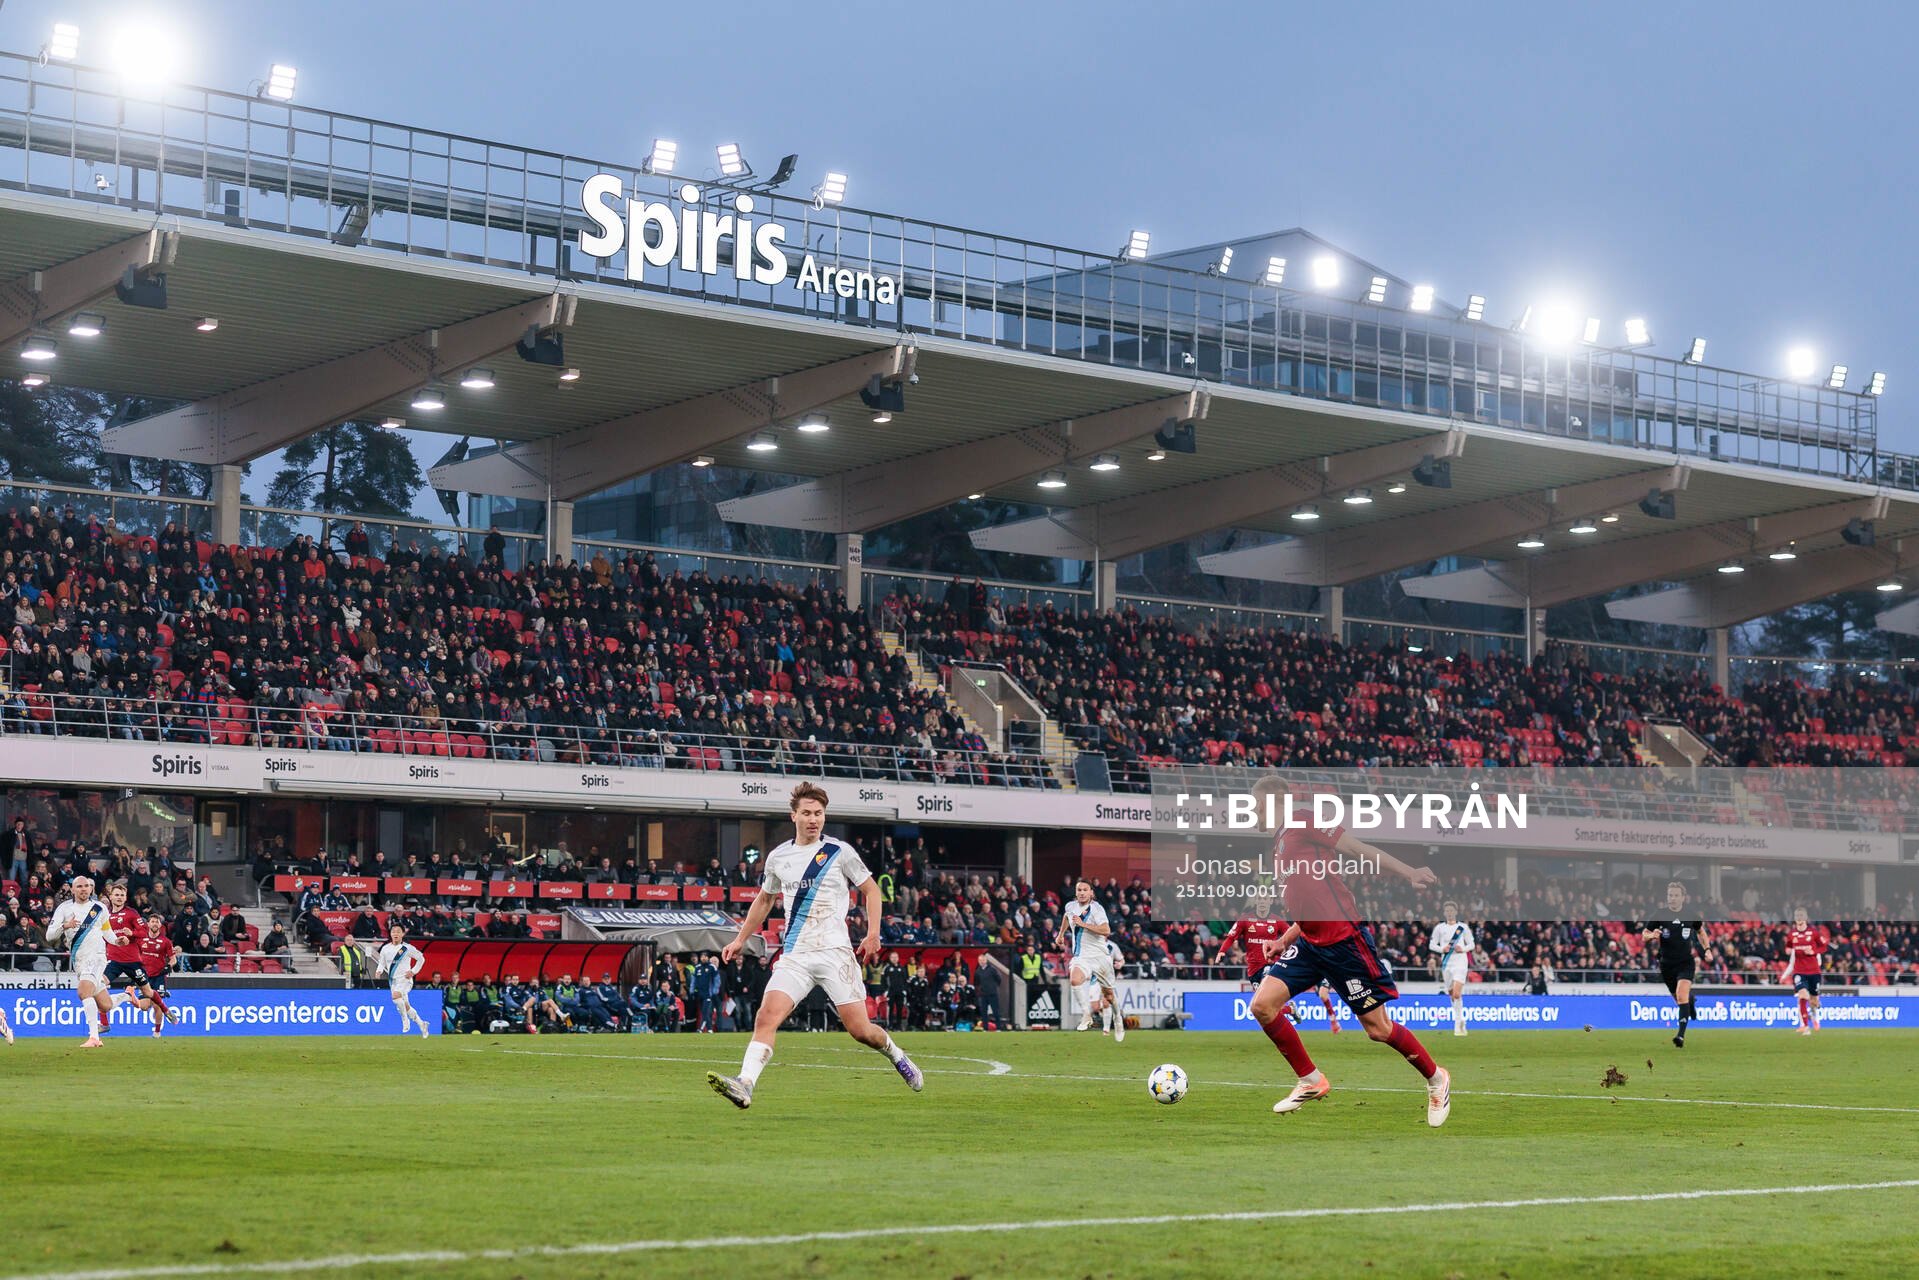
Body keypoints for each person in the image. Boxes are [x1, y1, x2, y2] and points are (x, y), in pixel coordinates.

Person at [1244, 777, 1452, 1128]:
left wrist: (1409, 872)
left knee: (1378, 1029)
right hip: (1309, 944)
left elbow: (1356, 849)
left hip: (1344, 942)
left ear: (1271, 803)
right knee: (1262, 1006)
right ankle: (1311, 1080)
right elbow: (1310, 902)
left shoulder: (1303, 820)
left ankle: (1436, 1078)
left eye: (1255, 806)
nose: (1253, 812)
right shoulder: (1279, 843)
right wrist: (1284, 940)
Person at [707, 783, 922, 1108]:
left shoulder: (839, 852)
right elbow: (764, 900)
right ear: (793, 816)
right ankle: (745, 1083)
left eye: (818, 813)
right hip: (796, 956)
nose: (813, 819)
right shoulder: (779, 857)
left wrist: (873, 933)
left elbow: (871, 891)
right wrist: (740, 939)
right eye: (806, 813)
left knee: (861, 1031)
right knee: (766, 1016)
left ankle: (896, 1054)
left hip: (835, 954)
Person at [43, 875, 118, 1048]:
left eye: (87, 886)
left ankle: (94, 1038)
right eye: (79, 886)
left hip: (97, 957)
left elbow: (107, 932)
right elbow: (49, 936)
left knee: (84, 992)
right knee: (105, 1005)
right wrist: (65, 926)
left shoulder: (99, 908)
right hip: (79, 961)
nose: (84, 889)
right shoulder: (64, 908)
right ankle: (128, 996)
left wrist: (117, 941)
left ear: (91, 889)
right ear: (72, 889)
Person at [101, 881, 179, 1033]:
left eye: (122, 895)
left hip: (132, 961)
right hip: (114, 960)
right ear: (110, 897)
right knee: (99, 985)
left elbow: (143, 932)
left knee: (148, 992)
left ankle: (166, 1010)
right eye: (116, 895)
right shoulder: (105, 915)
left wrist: (131, 934)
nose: (119, 897)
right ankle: (104, 1024)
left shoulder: (131, 913)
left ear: (125, 898)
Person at [1638, 881, 1704, 1049]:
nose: (1672, 898)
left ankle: (1680, 1036)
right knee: (1679, 998)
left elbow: (1701, 930)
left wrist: (1708, 949)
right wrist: (1652, 935)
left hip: (1685, 962)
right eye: (1670, 895)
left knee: (1681, 995)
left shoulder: (1690, 914)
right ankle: (1690, 1002)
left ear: (1683, 897)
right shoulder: (1660, 914)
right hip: (1667, 964)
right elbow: (1644, 935)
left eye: (1675, 895)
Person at [1056, 878, 1123, 1042]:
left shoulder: (1096, 909)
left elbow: (1106, 930)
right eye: (1079, 890)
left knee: (1109, 996)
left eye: (1085, 890)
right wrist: (1061, 934)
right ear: (1075, 892)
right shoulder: (1070, 906)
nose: (1082, 893)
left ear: (1091, 893)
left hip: (1100, 958)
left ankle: (1118, 1019)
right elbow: (1066, 917)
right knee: (1074, 980)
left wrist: (1083, 925)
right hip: (1081, 957)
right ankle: (1086, 1015)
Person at [374, 921, 431, 1039]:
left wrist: (413, 971)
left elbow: (421, 959)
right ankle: (422, 1024)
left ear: (402, 934)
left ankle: (405, 1020)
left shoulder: (407, 948)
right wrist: (379, 971)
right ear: (390, 934)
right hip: (393, 981)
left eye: (398, 932)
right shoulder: (385, 948)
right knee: (405, 1006)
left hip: (405, 979)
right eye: (393, 931)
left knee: (395, 996)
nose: (395, 934)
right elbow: (382, 962)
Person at [1428, 900, 1474, 1037]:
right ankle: (1461, 1020)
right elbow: (1432, 944)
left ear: (1456, 912)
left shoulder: (1463, 927)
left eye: (1451, 911)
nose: (1449, 913)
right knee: (1451, 994)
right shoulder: (1439, 928)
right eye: (1447, 911)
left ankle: (1457, 1025)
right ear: (1444, 912)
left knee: (1457, 994)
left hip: (1460, 962)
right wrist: (1442, 949)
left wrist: (1463, 949)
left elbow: (1471, 944)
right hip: (1446, 963)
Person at [1783, 906, 1831, 1036]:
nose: (1799, 919)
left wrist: (1813, 951)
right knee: (1803, 995)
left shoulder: (1813, 933)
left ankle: (1815, 1009)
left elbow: (1823, 947)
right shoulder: (1791, 934)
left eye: (1801, 916)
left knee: (1813, 1001)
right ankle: (1805, 1026)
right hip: (1799, 971)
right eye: (1797, 916)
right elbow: (1788, 947)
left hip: (1814, 971)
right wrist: (1788, 950)